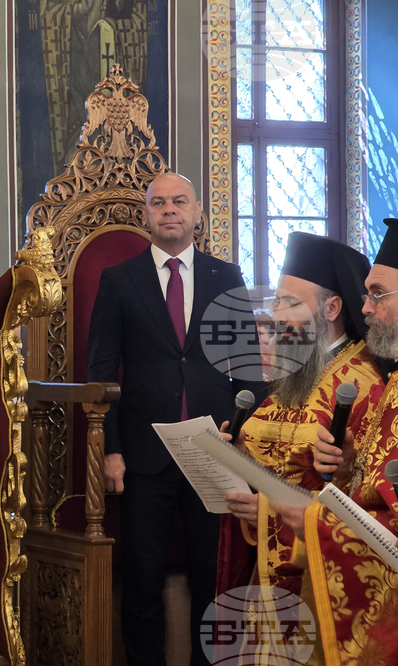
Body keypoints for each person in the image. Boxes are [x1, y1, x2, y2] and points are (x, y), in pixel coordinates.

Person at [86, 172, 265, 666]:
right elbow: (101, 374)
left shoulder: (224, 277)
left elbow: (248, 369)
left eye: (179, 201)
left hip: (214, 449)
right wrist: (112, 449)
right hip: (143, 456)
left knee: (215, 576)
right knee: (142, 579)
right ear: (146, 213)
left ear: (197, 212)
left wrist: (241, 440)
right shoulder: (120, 280)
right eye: (159, 202)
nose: (169, 210)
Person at [217, 233, 385, 600]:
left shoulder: (364, 385)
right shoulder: (293, 376)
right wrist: (237, 459)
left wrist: (266, 511)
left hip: (322, 583)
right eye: (276, 302)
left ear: (331, 309)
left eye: (290, 303)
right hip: (267, 575)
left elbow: (364, 498)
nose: (276, 317)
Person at [273, 218, 398, 666]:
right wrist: (347, 469)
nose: (366, 308)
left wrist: (314, 520)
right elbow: (376, 488)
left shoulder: (367, 379)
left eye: (378, 294)